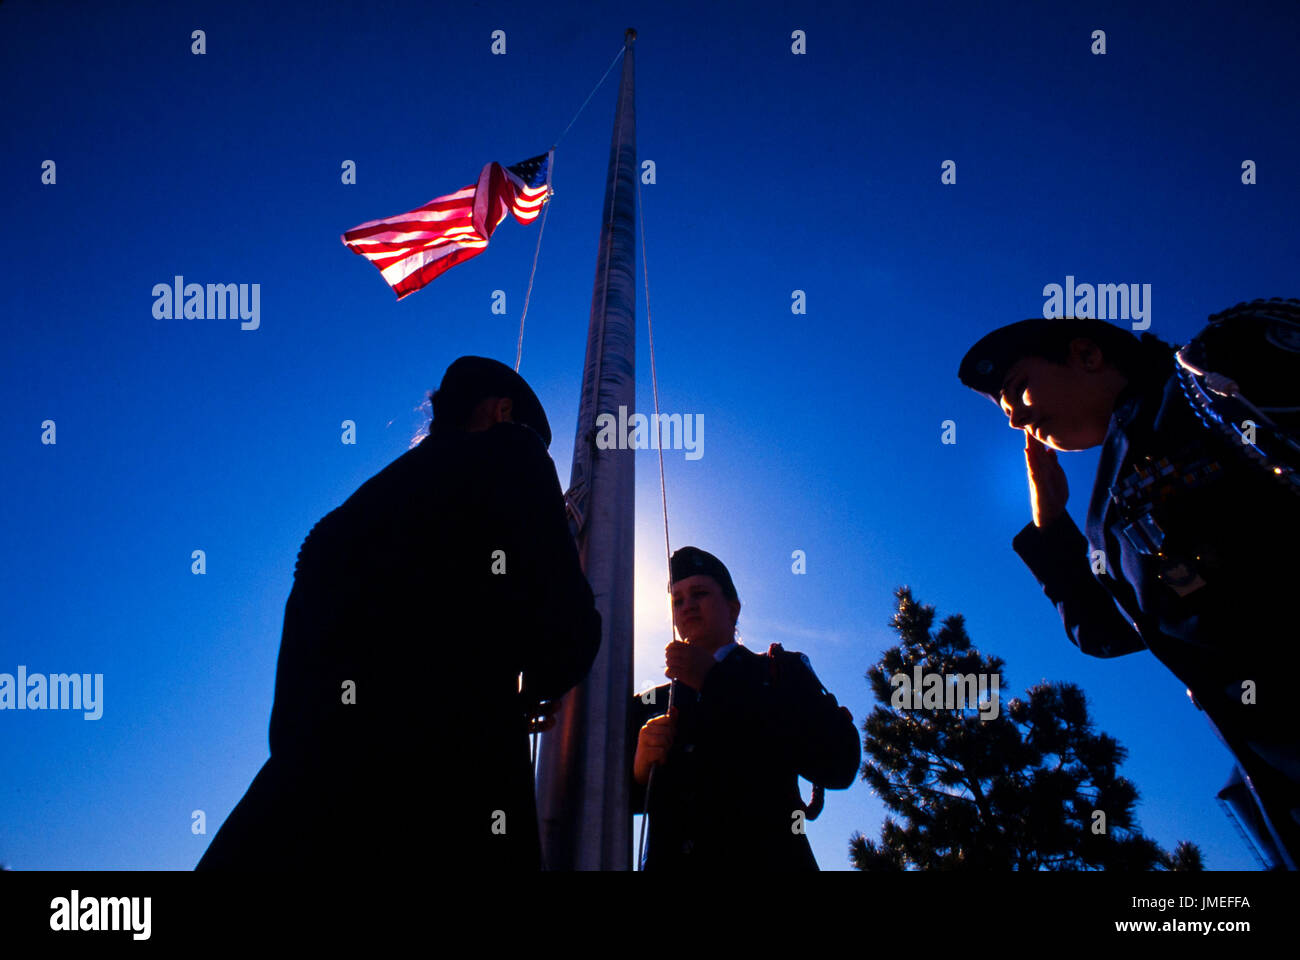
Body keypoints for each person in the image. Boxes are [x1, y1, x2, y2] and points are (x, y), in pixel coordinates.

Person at [197, 356, 601, 871]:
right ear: (502, 412)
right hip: (447, 803)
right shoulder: (513, 453)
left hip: (300, 811)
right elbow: (565, 628)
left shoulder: (341, 522)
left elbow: (291, 705)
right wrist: (540, 681)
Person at [958, 302, 1300, 869]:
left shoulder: (1214, 370)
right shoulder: (1107, 515)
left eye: (1018, 389)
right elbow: (1107, 630)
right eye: (1004, 413)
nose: (1015, 419)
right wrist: (1051, 525)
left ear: (1087, 354)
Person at [631, 546, 860, 871]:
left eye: (699, 593)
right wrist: (639, 770)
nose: (688, 606)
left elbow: (839, 762)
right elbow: (594, 799)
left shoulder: (778, 672)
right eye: (677, 600)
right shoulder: (653, 704)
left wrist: (714, 680)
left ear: (733, 608)